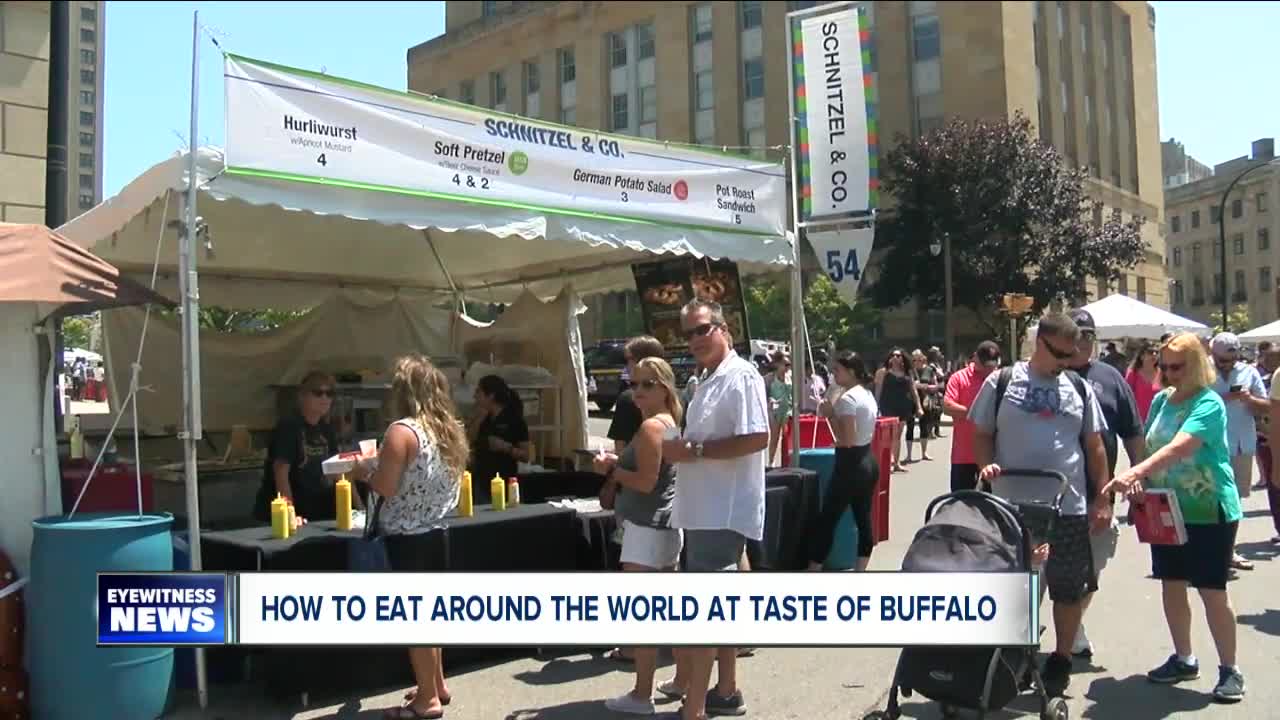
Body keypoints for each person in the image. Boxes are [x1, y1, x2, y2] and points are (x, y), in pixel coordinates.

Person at [969, 312, 1111, 698]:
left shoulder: (1079, 388)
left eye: (1073, 355)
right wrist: (985, 466)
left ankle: (1061, 659)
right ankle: (1015, 657)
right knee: (1015, 587)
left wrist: (1103, 498)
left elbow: (1095, 447)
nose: (1067, 362)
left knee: (1067, 588)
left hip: (1068, 506)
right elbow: (980, 433)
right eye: (1061, 354)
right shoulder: (1001, 382)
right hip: (1011, 506)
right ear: (1038, 344)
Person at [1104, 333, 1246, 703]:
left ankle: (1230, 669)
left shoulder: (1209, 402)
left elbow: (1181, 446)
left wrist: (1135, 473)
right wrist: (1142, 482)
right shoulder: (1162, 401)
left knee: (1212, 589)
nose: (1168, 374)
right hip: (1167, 509)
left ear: (1197, 365)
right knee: (1171, 582)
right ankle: (1184, 658)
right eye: (1163, 367)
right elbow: (1150, 445)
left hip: (1209, 508)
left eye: (1177, 367)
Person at [660, 299, 769, 720]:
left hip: (722, 508)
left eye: (702, 329)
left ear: (725, 329)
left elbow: (758, 436)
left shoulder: (740, 376)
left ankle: (696, 707)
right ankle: (726, 690)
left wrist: (696, 450)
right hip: (704, 506)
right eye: (687, 333)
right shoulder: (708, 377)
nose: (695, 340)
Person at [350, 355, 469, 719]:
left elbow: (385, 485)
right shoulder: (449, 429)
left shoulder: (401, 431)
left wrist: (362, 470)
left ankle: (427, 702)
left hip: (407, 536)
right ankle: (437, 684)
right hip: (438, 530)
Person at [593, 357, 684, 715]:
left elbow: (645, 482)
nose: (639, 391)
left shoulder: (652, 429)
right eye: (634, 384)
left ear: (664, 387)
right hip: (665, 525)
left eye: (648, 384)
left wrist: (612, 468)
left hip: (646, 526)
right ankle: (681, 682)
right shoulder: (670, 422)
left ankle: (641, 695)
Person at [1065, 309, 1146, 660]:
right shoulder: (1046, 375)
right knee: (1038, 569)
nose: (1081, 342)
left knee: (1091, 571)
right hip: (1051, 496)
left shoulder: (1111, 378)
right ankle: (1022, 639)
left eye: (1087, 335)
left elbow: (1133, 434)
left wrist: (1143, 478)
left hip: (1100, 495)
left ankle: (1073, 625)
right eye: (1074, 335)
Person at [809, 351, 880, 571]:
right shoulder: (866, 394)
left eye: (837, 370)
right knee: (863, 517)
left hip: (850, 464)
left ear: (850, 371)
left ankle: (814, 569)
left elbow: (847, 439)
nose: (833, 375)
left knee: (827, 520)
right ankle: (861, 569)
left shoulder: (848, 399)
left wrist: (830, 414)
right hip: (867, 459)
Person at [1207, 332, 1266, 572]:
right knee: (1210, 499)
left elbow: (1266, 405)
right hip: (1211, 445)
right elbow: (1194, 402)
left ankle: (1229, 550)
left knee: (1234, 502)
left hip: (1242, 444)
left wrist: (1249, 398)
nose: (1228, 365)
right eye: (1223, 360)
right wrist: (1226, 397)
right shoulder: (1203, 372)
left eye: (1232, 359)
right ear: (1213, 354)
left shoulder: (1249, 372)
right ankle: (1210, 551)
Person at [254, 371, 340, 524]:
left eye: (329, 394)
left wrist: (358, 507)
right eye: (318, 393)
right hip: (282, 516)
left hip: (317, 514)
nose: (325, 398)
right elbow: (281, 472)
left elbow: (337, 471)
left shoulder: (327, 430)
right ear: (302, 396)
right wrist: (289, 513)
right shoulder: (289, 427)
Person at [943, 341, 1001, 493]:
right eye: (986, 367)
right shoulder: (959, 378)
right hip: (963, 457)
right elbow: (948, 407)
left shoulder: (1001, 379)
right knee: (961, 504)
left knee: (993, 507)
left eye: (993, 366)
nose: (990, 371)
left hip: (992, 458)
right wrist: (979, 413)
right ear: (976, 359)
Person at [466, 375, 530, 504]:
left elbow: (526, 455)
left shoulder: (514, 420)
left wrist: (506, 447)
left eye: (479, 392)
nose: (475, 396)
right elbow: (469, 441)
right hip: (481, 482)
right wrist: (478, 419)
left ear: (491, 396)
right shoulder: (483, 418)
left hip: (505, 481)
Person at [607, 336, 667, 452]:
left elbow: (620, 448)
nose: (627, 366)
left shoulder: (630, 398)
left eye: (629, 359)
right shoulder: (676, 396)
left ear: (642, 361)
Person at [875, 348, 923, 472]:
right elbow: (878, 390)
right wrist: (875, 406)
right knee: (889, 436)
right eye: (893, 355)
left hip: (903, 406)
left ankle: (896, 463)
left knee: (898, 435)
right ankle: (889, 461)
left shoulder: (907, 373)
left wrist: (918, 407)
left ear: (903, 358)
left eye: (899, 355)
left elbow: (914, 391)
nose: (896, 357)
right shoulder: (883, 372)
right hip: (887, 406)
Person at [764, 351, 794, 466]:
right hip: (775, 411)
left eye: (789, 365)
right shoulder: (769, 378)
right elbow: (764, 394)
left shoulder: (791, 377)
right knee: (774, 437)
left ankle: (786, 462)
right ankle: (771, 462)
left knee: (787, 437)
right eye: (785, 364)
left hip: (788, 409)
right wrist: (770, 400)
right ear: (777, 364)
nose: (788, 367)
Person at [911, 349, 941, 461]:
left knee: (925, 426)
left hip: (925, 401)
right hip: (911, 400)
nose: (917, 362)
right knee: (910, 426)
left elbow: (936, 385)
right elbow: (909, 385)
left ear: (923, 359)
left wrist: (924, 386)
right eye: (914, 360)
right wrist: (923, 386)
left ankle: (924, 453)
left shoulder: (929, 370)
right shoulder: (910, 370)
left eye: (919, 359)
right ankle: (909, 455)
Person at [1126, 341, 1163, 423]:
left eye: (1156, 352)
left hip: (1157, 421)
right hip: (1138, 422)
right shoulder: (1133, 374)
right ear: (1142, 356)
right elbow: (1127, 398)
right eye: (1150, 352)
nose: (1154, 355)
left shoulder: (1162, 374)